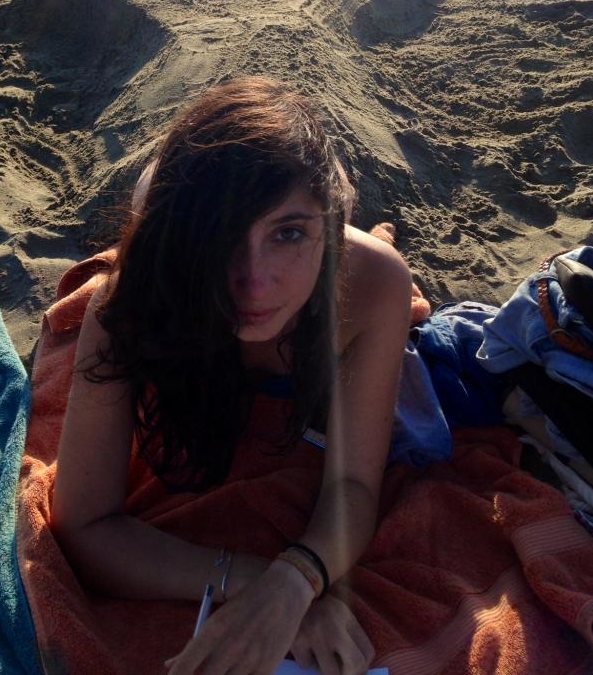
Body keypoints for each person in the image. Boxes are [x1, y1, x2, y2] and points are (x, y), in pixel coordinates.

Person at [52, 76, 412, 675]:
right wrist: (254, 584)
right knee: (153, 200)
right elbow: (83, 525)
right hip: (168, 220)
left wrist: (297, 580)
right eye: (219, 238)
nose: (254, 283)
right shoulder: (134, 298)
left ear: (327, 230)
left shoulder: (374, 285)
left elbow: (353, 482)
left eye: (288, 233)